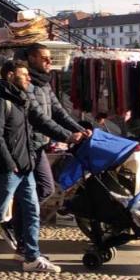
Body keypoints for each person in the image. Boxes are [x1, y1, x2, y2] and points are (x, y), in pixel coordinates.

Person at [0, 60, 83, 273]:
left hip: (26, 166)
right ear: (11, 76)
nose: (29, 78)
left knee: (32, 210)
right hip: (6, 169)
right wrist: (10, 163)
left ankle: (32, 258)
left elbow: (43, 122)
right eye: (25, 75)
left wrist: (70, 136)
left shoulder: (23, 100)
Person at [22, 44, 90, 238]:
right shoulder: (26, 84)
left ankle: (18, 228)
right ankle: (20, 231)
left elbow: (58, 111)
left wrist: (80, 130)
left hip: (40, 144)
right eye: (45, 58)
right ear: (32, 59)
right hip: (27, 145)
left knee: (42, 189)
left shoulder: (44, 83)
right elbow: (39, 118)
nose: (50, 62)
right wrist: (67, 136)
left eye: (50, 58)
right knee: (43, 188)